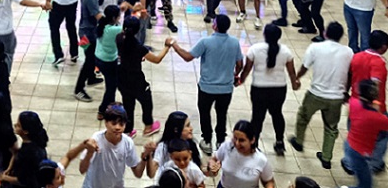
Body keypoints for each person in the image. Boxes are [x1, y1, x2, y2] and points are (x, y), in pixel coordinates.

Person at [170, 14, 242, 154]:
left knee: (205, 113)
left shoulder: (206, 42)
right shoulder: (234, 42)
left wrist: (174, 45)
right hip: (226, 88)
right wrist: (235, 74)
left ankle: (207, 140)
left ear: (214, 25)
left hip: (206, 88)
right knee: (222, 114)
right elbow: (240, 63)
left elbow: (187, 57)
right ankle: (221, 140)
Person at [287, 22, 353, 169]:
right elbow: (350, 74)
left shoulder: (315, 48)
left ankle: (298, 141)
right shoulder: (348, 52)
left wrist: (297, 78)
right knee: (331, 127)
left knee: (303, 117)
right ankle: (326, 157)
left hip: (316, 93)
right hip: (336, 97)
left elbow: (305, 67)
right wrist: (345, 92)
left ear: (325, 34)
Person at [341, 80, 388, 188]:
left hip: (350, 145)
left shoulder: (353, 103)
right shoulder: (378, 118)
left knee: (364, 178)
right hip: (359, 153)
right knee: (365, 185)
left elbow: (349, 109)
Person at [238, 24, 300, 155]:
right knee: (277, 114)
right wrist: (295, 83)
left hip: (259, 89)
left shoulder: (255, 49)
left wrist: (240, 80)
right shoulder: (286, 51)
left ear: (264, 35)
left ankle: (253, 144)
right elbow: (291, 72)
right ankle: (279, 142)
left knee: (257, 118)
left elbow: (247, 69)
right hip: (279, 89)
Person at [345, 30, 388, 173]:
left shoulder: (356, 57)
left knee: (355, 133)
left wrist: (345, 93)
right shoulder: (378, 63)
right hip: (373, 108)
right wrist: (375, 110)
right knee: (382, 135)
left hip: (355, 104)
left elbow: (349, 75)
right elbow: (375, 86)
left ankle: (350, 161)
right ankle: (375, 163)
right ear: (384, 47)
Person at [117, 17, 170, 137]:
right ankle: (148, 127)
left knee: (128, 104)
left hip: (122, 77)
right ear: (137, 30)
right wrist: (167, 47)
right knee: (146, 102)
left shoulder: (119, 39)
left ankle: (128, 130)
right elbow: (156, 59)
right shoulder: (139, 48)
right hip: (136, 79)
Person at [79, 103, 149, 188]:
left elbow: (138, 173)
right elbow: (82, 170)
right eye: (113, 123)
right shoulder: (96, 140)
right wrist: (89, 152)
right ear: (106, 123)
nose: (117, 127)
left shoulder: (128, 143)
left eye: (121, 124)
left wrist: (145, 158)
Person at [207, 120, 276, 188]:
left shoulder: (261, 160)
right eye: (235, 138)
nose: (237, 143)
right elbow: (214, 159)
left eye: (241, 140)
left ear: (252, 140)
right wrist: (212, 165)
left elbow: (268, 182)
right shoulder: (226, 147)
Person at [146, 111, 206, 182]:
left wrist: (211, 169)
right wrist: (148, 154)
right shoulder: (163, 147)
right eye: (187, 126)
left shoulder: (193, 145)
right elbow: (151, 174)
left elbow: (201, 169)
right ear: (176, 130)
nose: (191, 128)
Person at [74, 0, 106, 102]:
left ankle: (91, 78)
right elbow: (99, 17)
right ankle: (79, 89)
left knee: (92, 58)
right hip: (85, 36)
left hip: (88, 32)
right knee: (89, 60)